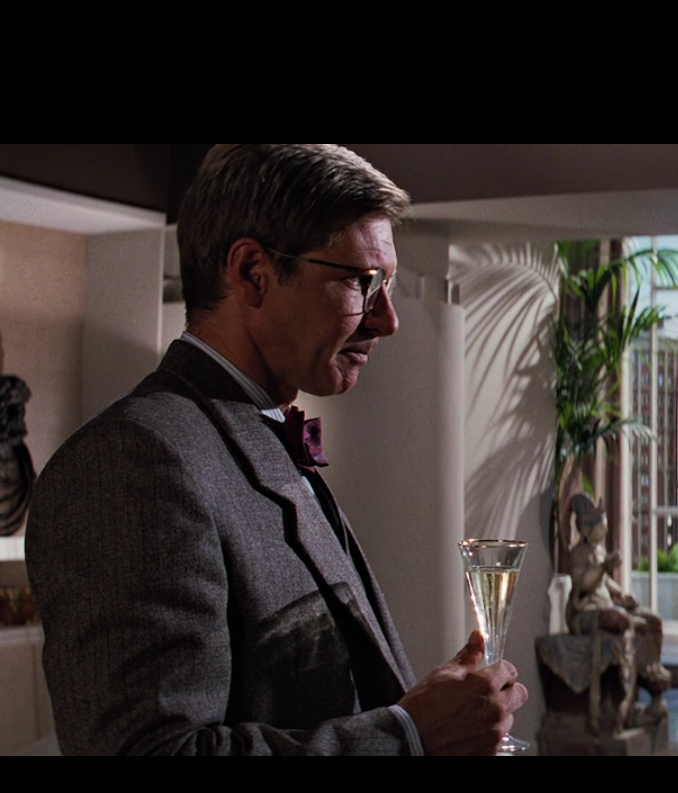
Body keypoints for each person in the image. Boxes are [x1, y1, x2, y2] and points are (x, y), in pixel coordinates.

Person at [26, 144, 528, 755]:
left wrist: (419, 718)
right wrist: (406, 736)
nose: (388, 320)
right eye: (362, 282)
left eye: (388, 285)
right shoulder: (132, 462)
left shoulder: (250, 433)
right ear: (252, 273)